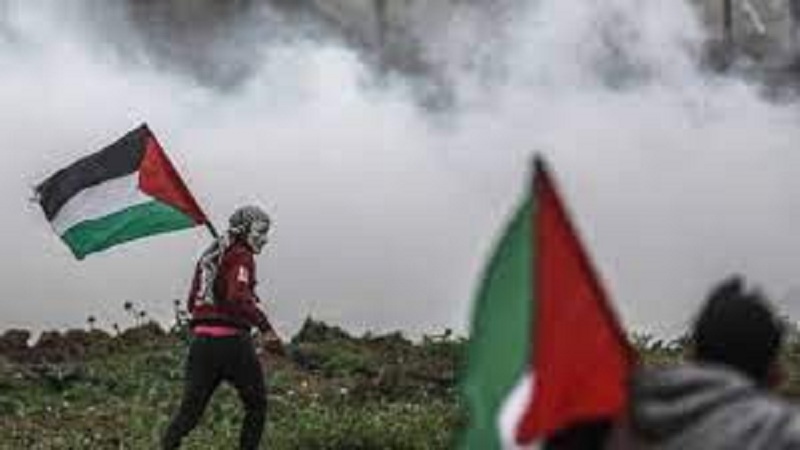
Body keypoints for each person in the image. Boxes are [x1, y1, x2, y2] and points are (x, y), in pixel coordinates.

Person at [608, 275, 800, 449]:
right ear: (771, 371)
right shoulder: (780, 433)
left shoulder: (626, 430)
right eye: (777, 360)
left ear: (695, 355)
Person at [162, 205, 280, 450]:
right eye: (260, 231)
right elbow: (237, 297)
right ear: (244, 230)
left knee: (189, 413)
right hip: (233, 345)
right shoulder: (242, 255)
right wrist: (266, 329)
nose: (264, 239)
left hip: (202, 346)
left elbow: (192, 303)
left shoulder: (210, 256)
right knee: (256, 405)